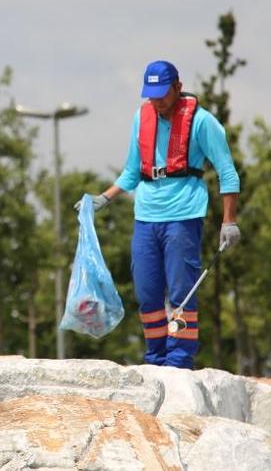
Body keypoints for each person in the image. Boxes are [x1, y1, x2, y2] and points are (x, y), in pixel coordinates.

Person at [76, 60, 240, 369]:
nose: (157, 101)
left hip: (183, 215)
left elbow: (228, 173)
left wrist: (228, 221)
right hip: (146, 217)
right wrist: (103, 199)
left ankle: (178, 360)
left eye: (163, 94)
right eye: (151, 95)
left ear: (178, 87)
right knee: (148, 292)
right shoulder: (143, 117)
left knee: (181, 291)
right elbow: (130, 172)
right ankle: (155, 358)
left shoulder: (203, 122)